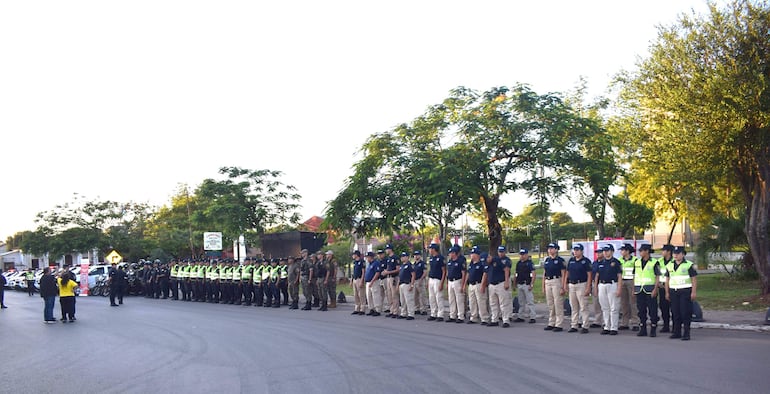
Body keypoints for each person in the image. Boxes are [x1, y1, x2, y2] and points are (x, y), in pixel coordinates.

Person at [665, 246, 698, 341]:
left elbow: (694, 279)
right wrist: (667, 292)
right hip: (673, 291)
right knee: (675, 312)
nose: (675, 255)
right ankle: (677, 332)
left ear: (683, 254)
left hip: (685, 291)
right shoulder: (670, 265)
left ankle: (686, 333)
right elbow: (667, 280)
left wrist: (693, 292)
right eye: (674, 253)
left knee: (685, 312)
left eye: (678, 253)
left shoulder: (688, 265)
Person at [593, 244, 622, 335]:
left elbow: (619, 276)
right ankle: (607, 326)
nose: (605, 253)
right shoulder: (601, 262)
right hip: (602, 284)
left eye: (607, 251)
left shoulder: (616, 262)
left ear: (612, 251)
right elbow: (597, 276)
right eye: (604, 251)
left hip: (612, 284)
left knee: (614, 307)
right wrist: (595, 288)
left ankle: (614, 327)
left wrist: (619, 289)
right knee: (605, 307)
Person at [634, 244, 660, 337]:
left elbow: (657, 276)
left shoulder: (654, 262)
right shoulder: (637, 262)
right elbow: (635, 275)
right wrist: (634, 288)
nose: (640, 252)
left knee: (652, 310)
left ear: (647, 251)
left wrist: (655, 289)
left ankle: (653, 328)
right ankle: (643, 328)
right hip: (639, 289)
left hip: (650, 289)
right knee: (641, 310)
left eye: (641, 251)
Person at [566, 244, 592, 333]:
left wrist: (588, 287)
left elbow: (589, 275)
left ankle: (585, 325)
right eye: (574, 250)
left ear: (581, 251)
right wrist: (566, 284)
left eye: (577, 250)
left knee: (583, 306)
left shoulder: (586, 261)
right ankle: (574, 324)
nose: (575, 252)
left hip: (582, 284)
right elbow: (568, 273)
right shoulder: (571, 260)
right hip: (572, 284)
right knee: (574, 306)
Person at [542, 243, 567, 332]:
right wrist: (543, 286)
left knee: (558, 303)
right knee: (550, 304)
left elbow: (564, 274)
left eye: (552, 248)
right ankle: (551, 322)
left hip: (557, 281)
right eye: (549, 248)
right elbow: (544, 273)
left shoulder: (560, 260)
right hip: (548, 281)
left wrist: (563, 286)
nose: (550, 250)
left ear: (556, 250)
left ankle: (559, 324)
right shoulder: (547, 260)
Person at [485, 250, 513, 327]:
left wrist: (506, 282)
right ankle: (494, 319)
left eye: (488, 258)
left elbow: (506, 270)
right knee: (493, 303)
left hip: (500, 283)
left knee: (503, 303)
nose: (487, 260)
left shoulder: (498, 260)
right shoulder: (487, 264)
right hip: (492, 285)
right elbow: (486, 273)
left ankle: (506, 320)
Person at [618, 244, 640, 331]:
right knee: (624, 303)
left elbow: (637, 273)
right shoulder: (619, 260)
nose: (621, 252)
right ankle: (625, 323)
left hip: (631, 281)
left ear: (627, 251)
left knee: (633, 303)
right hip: (622, 281)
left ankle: (635, 322)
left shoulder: (635, 260)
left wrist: (635, 286)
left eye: (623, 250)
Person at [465, 247, 489, 325]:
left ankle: (484, 318)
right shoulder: (471, 264)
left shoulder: (482, 263)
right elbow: (468, 273)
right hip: (471, 284)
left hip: (478, 284)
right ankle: (473, 317)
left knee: (481, 301)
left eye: (473, 254)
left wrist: (483, 285)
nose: (471, 255)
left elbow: (485, 274)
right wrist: (465, 283)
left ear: (477, 255)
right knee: (472, 302)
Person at [513, 248, 537, 324]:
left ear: (527, 255)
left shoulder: (529, 263)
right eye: (521, 254)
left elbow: (533, 274)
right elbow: (516, 274)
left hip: (527, 284)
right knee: (521, 301)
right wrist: (514, 283)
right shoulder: (518, 263)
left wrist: (531, 284)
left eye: (523, 254)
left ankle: (532, 316)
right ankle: (520, 316)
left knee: (530, 301)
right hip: (520, 284)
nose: (522, 256)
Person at [445, 245, 467, 323]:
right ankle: (452, 315)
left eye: (451, 253)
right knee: (451, 299)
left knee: (459, 299)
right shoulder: (450, 261)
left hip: (457, 281)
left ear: (454, 253)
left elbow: (464, 273)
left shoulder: (460, 261)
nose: (450, 254)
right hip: (450, 281)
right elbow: (448, 272)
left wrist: (463, 284)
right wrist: (447, 282)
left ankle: (460, 316)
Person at [426, 243, 446, 322]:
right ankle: (433, 313)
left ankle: (440, 314)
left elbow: (444, 271)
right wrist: (428, 281)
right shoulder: (431, 258)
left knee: (439, 297)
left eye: (430, 249)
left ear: (434, 249)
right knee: (432, 297)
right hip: (431, 279)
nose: (429, 250)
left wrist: (442, 282)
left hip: (438, 279)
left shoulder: (440, 258)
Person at [657, 244, 674, 333]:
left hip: (672, 287)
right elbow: (657, 274)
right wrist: (659, 283)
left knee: (674, 308)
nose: (662, 252)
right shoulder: (659, 261)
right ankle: (666, 325)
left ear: (669, 252)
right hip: (662, 287)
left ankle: (675, 326)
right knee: (663, 307)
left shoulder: (675, 261)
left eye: (664, 250)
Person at [382, 245, 400, 317]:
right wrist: (385, 271)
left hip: (394, 277)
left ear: (391, 249)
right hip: (388, 277)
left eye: (387, 249)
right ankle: (391, 310)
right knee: (389, 295)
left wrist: (388, 272)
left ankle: (395, 311)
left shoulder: (395, 258)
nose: (386, 250)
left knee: (394, 294)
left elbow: (398, 269)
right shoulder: (388, 258)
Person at [397, 252, 416, 320]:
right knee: (402, 300)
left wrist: (412, 284)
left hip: (407, 283)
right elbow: (399, 276)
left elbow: (413, 275)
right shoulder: (402, 266)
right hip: (401, 284)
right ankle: (403, 313)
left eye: (404, 256)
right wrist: (398, 285)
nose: (402, 258)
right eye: (401, 256)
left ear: (407, 257)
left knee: (409, 300)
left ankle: (411, 314)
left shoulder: (409, 265)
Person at [364, 252, 382, 316]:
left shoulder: (376, 263)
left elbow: (377, 273)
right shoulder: (369, 264)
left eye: (367, 257)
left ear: (370, 257)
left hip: (374, 282)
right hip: (368, 282)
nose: (366, 258)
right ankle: (371, 308)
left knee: (375, 295)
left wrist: (372, 281)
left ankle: (377, 310)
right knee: (369, 296)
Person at [412, 251, 428, 315]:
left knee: (422, 295)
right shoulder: (414, 264)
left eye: (417, 255)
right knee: (415, 296)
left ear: (420, 256)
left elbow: (425, 272)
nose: (416, 256)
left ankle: (424, 309)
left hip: (420, 280)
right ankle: (417, 308)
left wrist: (421, 279)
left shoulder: (422, 263)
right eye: (415, 255)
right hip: (415, 280)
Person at [350, 251, 366, 315]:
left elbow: (363, 272)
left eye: (353, 254)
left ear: (356, 255)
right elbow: (353, 272)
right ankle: (357, 308)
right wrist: (351, 281)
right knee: (355, 294)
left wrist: (362, 281)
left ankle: (362, 309)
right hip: (355, 279)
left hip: (359, 279)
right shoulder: (354, 262)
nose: (352, 256)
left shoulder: (362, 261)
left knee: (361, 295)